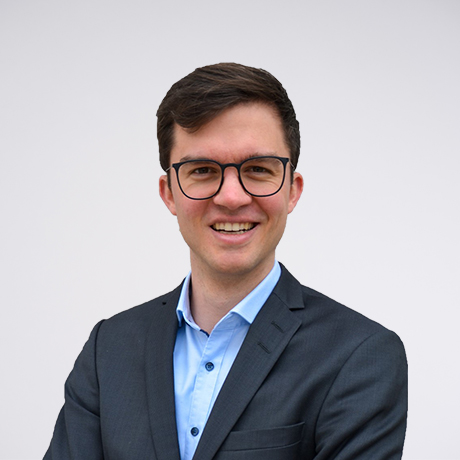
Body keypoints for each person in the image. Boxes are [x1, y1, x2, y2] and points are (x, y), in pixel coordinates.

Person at [44, 63, 408, 460]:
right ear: (169, 193)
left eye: (258, 169)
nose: (232, 197)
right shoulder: (108, 350)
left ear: (292, 190)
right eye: (202, 170)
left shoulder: (360, 355)